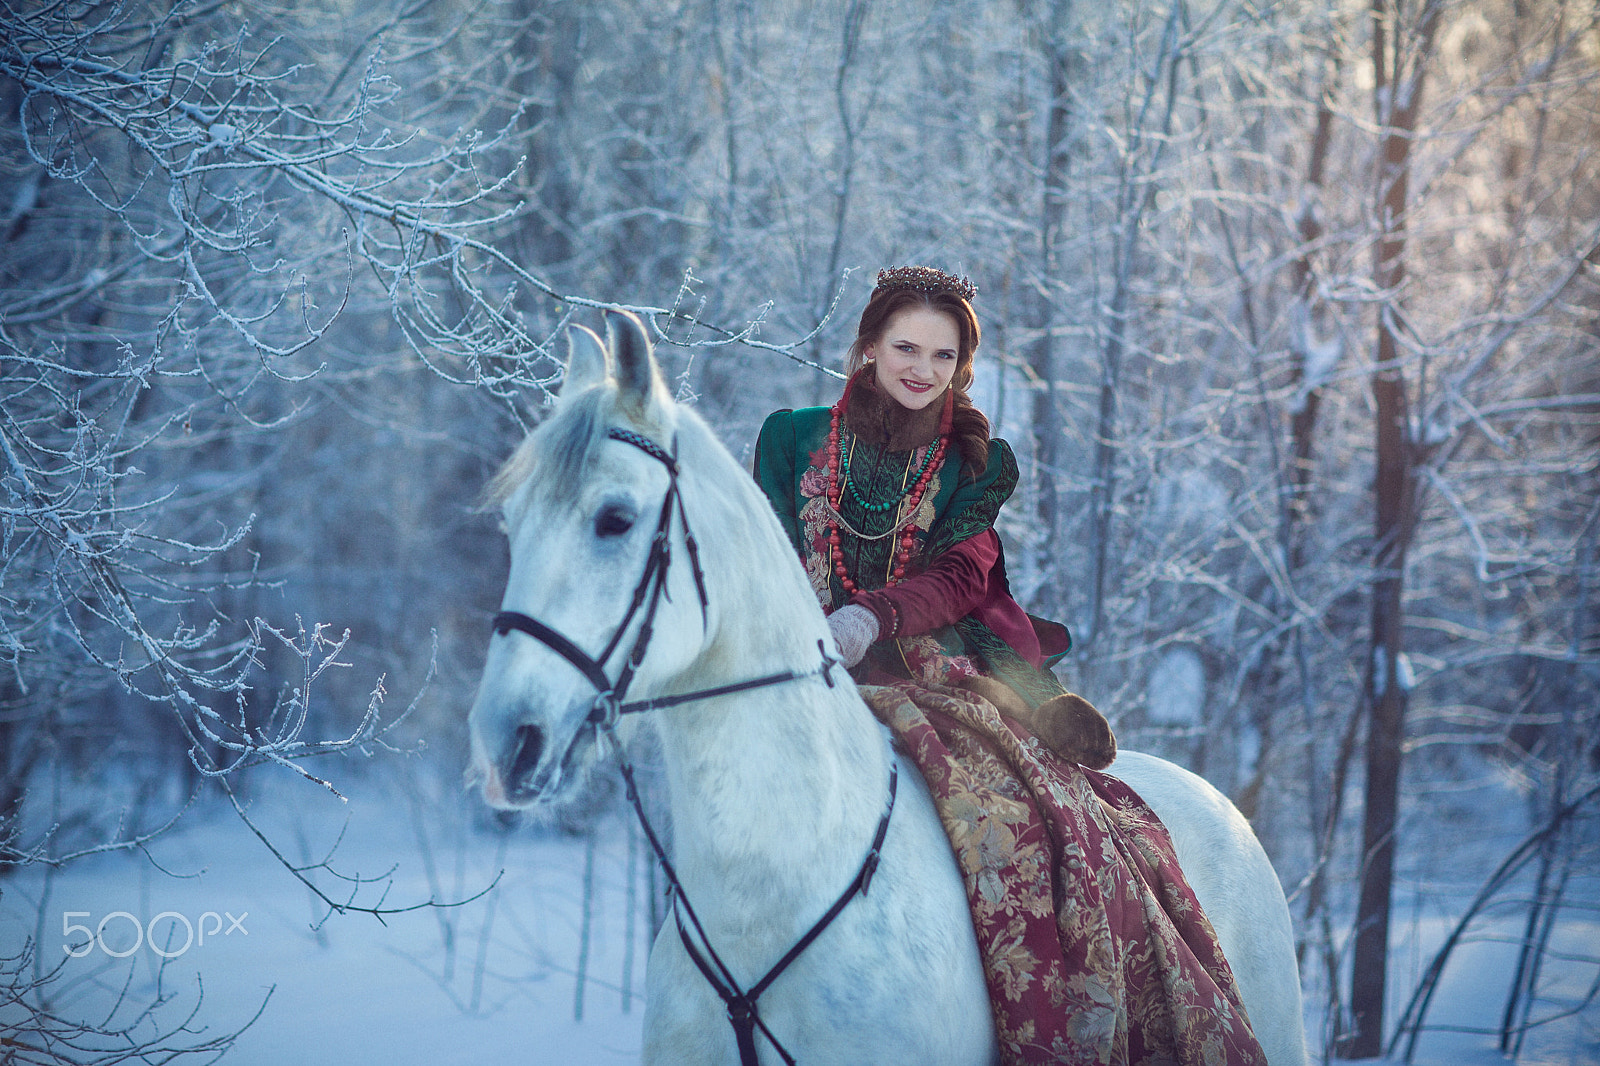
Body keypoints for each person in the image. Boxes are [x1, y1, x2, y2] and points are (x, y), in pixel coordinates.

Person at [752, 267, 1268, 1066]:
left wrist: (870, 616)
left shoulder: (975, 462)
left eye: (943, 354)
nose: (921, 368)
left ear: (962, 364)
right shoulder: (791, 438)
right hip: (803, 664)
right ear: (868, 347)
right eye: (904, 347)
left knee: (1016, 823)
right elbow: (771, 551)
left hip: (928, 672)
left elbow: (963, 575)